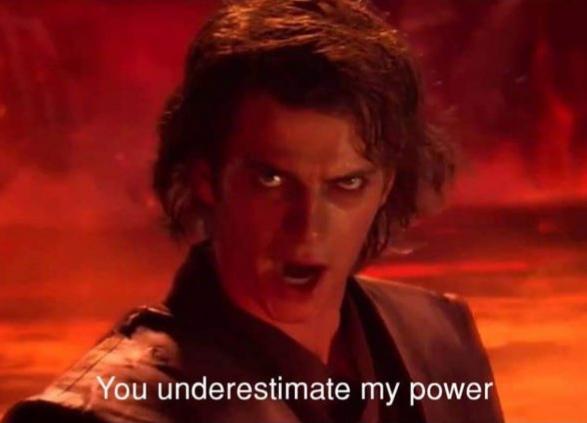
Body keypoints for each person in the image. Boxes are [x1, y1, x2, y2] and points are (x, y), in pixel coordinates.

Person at [2, 0, 504, 422]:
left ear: (386, 186)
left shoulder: (439, 339)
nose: (307, 227)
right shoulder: (96, 417)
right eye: (272, 180)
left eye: (346, 184)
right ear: (206, 179)